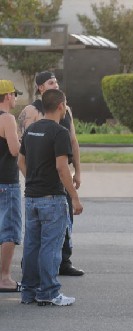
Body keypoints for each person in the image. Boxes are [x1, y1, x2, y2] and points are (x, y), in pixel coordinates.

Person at [18, 89, 83, 306]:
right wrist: (74, 197)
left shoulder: (31, 129)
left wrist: (34, 179)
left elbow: (21, 162)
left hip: (32, 197)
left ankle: (28, 292)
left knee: (32, 245)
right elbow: (62, 168)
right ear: (60, 106)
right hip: (52, 198)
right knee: (51, 247)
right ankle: (49, 292)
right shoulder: (59, 132)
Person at [0, 80, 23, 293]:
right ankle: (4, 278)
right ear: (8, 96)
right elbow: (15, 150)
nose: (15, 98)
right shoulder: (7, 118)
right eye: (15, 95)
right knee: (9, 230)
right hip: (7, 181)